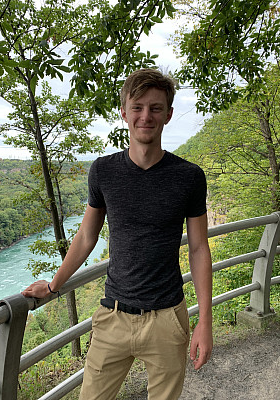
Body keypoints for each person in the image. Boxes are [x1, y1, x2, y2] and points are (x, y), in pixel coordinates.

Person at [22, 68, 213, 400]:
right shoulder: (103, 171)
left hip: (167, 318)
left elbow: (198, 248)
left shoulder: (189, 177)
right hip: (113, 316)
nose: (145, 116)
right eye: (137, 107)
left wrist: (205, 322)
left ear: (168, 114)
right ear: (124, 112)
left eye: (155, 108)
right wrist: (54, 286)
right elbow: (85, 236)